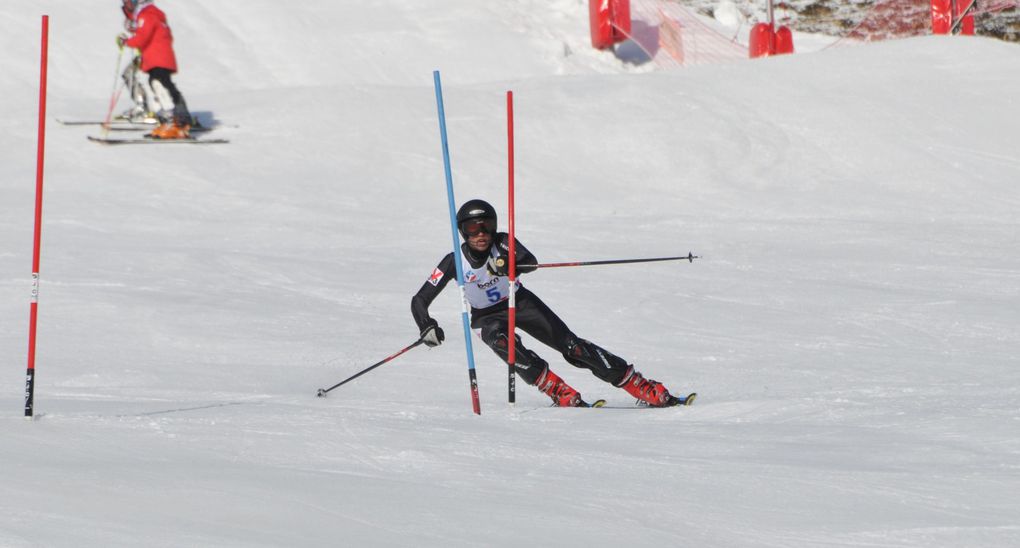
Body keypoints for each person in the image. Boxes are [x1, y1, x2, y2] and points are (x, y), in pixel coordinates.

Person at [411, 199, 691, 407]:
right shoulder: (453, 261)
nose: (481, 233)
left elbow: (529, 262)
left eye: (486, 225)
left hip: (519, 302)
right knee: (505, 345)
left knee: (572, 346)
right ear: (463, 232)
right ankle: (558, 391)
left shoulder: (504, 242)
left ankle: (639, 385)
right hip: (486, 317)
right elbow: (420, 300)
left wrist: (508, 265)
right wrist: (427, 325)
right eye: (473, 228)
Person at [117, 0, 192, 139]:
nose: (127, 5)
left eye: (130, 2)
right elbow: (145, 32)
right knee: (157, 84)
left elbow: (141, 38)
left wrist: (126, 42)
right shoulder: (150, 14)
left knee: (160, 84)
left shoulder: (148, 15)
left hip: (159, 58)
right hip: (156, 57)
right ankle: (167, 121)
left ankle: (176, 122)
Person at [116, 1, 158, 123]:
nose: (126, 3)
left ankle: (149, 108)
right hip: (143, 53)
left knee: (156, 80)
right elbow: (136, 30)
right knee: (128, 75)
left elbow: (145, 31)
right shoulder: (133, 13)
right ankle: (142, 106)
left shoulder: (144, 11)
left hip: (152, 53)